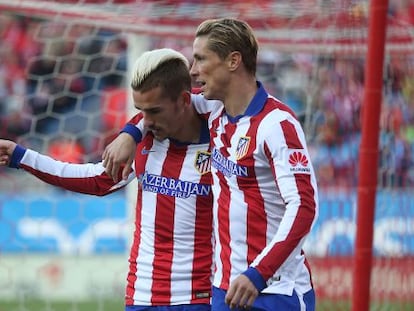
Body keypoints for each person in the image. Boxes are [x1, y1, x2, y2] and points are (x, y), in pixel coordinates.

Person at [103, 18, 319, 311]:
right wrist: (130, 134)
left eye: (201, 59)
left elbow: (304, 206)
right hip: (225, 289)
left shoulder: (276, 125)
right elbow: (161, 106)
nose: (192, 71)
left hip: (274, 289)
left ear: (233, 61)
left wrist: (258, 274)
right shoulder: (214, 111)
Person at [0, 48, 213, 311]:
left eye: (154, 110)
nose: (147, 120)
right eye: (140, 111)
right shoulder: (144, 138)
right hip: (143, 296)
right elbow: (96, 180)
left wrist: (130, 132)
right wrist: (21, 156)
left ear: (183, 100)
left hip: (201, 296)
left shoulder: (224, 135)